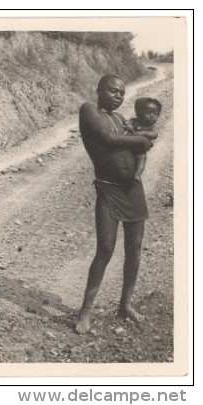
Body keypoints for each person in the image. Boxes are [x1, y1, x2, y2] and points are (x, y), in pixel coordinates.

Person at [75, 74, 155, 334]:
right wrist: (141, 141)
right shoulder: (89, 111)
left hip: (133, 191)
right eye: (112, 90)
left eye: (122, 92)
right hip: (108, 190)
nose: (118, 96)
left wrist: (141, 139)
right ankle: (85, 312)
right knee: (106, 249)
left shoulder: (121, 119)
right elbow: (108, 139)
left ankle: (125, 304)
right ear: (99, 90)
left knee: (134, 249)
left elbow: (135, 139)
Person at [128, 97, 162, 182]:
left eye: (155, 114)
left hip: (140, 149)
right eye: (148, 113)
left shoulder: (150, 127)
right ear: (139, 113)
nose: (152, 116)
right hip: (128, 145)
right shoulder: (134, 121)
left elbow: (154, 134)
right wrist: (129, 125)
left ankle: (137, 174)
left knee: (142, 158)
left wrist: (143, 133)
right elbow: (128, 123)